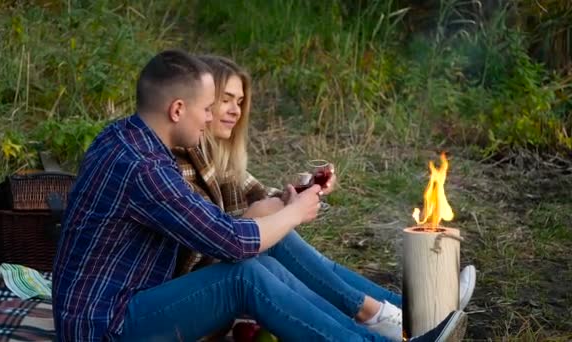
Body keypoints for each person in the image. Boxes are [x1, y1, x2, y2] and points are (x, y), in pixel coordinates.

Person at [52, 49, 467, 341]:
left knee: (256, 264)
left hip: (116, 306)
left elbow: (222, 222)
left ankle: (389, 326)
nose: (209, 117)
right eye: (206, 108)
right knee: (244, 275)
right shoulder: (146, 168)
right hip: (108, 325)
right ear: (177, 110)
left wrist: (281, 207)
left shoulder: (123, 137)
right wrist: (294, 212)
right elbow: (229, 240)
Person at [172, 55, 476, 341]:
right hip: (195, 297)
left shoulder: (219, 160)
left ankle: (406, 312)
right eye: (225, 101)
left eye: (239, 102)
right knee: (271, 244)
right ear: (201, 103)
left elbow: (264, 201)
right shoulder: (180, 164)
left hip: (230, 273)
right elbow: (212, 246)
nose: (236, 110)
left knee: (281, 243)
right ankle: (391, 315)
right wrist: (263, 216)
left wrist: (299, 191)